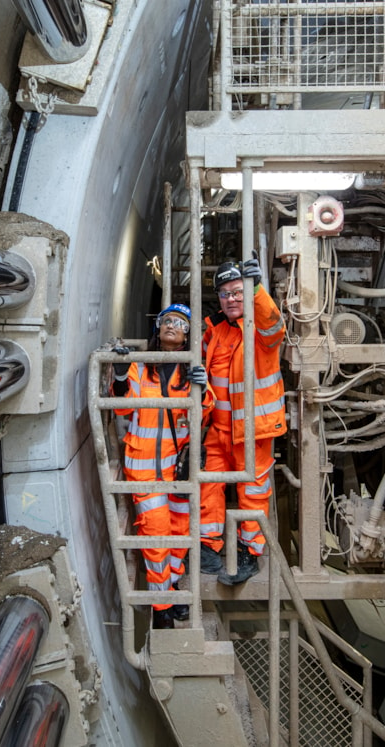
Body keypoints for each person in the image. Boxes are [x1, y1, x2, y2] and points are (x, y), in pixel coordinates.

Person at [112, 303, 210, 629]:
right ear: (158, 329)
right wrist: (121, 376)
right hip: (144, 467)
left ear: (186, 335)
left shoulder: (190, 370)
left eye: (179, 323)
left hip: (178, 468)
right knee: (156, 534)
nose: (171, 326)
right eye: (167, 320)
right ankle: (161, 606)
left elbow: (203, 414)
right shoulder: (142, 367)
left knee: (180, 531)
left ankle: (170, 584)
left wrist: (202, 387)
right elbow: (125, 409)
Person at [199, 258, 286, 586]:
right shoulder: (215, 331)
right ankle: (208, 546)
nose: (231, 299)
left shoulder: (260, 330)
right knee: (209, 485)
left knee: (252, 490)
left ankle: (250, 554)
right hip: (218, 429)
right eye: (225, 294)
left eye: (237, 292)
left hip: (253, 431)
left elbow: (275, 326)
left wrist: (258, 290)